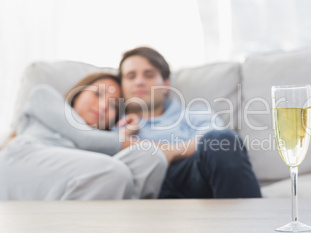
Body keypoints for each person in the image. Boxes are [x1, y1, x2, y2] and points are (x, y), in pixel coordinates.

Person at [0, 72, 179, 200]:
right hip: (25, 155)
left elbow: (94, 142)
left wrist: (124, 132)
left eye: (113, 106)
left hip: (75, 173)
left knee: (152, 158)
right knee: (113, 173)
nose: (103, 107)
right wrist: (174, 149)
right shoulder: (44, 95)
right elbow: (85, 138)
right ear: (77, 95)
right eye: (97, 94)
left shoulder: (99, 152)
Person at [117, 47, 262, 198]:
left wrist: (170, 152)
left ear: (166, 84)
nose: (140, 82)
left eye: (149, 75)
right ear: (121, 85)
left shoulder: (194, 113)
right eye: (131, 76)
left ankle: (249, 219)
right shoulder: (117, 128)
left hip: (195, 178)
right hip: (147, 188)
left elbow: (220, 141)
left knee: (220, 140)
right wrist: (123, 136)